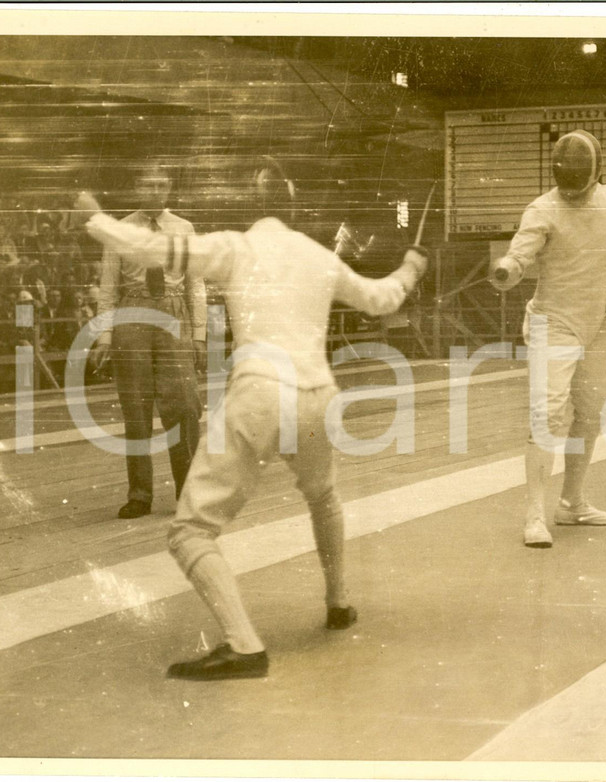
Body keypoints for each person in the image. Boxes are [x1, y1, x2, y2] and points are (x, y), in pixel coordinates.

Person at [74, 156, 428, 681]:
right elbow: (381, 300)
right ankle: (338, 602)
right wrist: (412, 266)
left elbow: (145, 247)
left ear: (249, 209)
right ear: (291, 208)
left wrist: (95, 216)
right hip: (318, 394)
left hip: (261, 392)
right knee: (323, 495)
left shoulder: (234, 247)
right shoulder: (316, 254)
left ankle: (243, 644)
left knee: (191, 532)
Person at [490, 130, 606, 549]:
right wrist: (508, 268)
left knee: (591, 412)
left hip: (597, 322)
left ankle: (572, 503)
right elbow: (521, 254)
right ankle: (534, 516)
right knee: (548, 414)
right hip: (553, 322)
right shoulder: (542, 209)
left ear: (595, 174)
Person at [90, 161, 208, 520]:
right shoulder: (120, 230)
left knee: (185, 406)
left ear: (169, 188)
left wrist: (200, 335)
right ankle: (139, 494)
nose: (155, 192)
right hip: (133, 314)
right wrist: (105, 335)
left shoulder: (184, 228)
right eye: (148, 185)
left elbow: (196, 284)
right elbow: (108, 287)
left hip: (173, 316)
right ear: (137, 189)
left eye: (161, 186)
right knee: (136, 409)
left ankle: (188, 493)